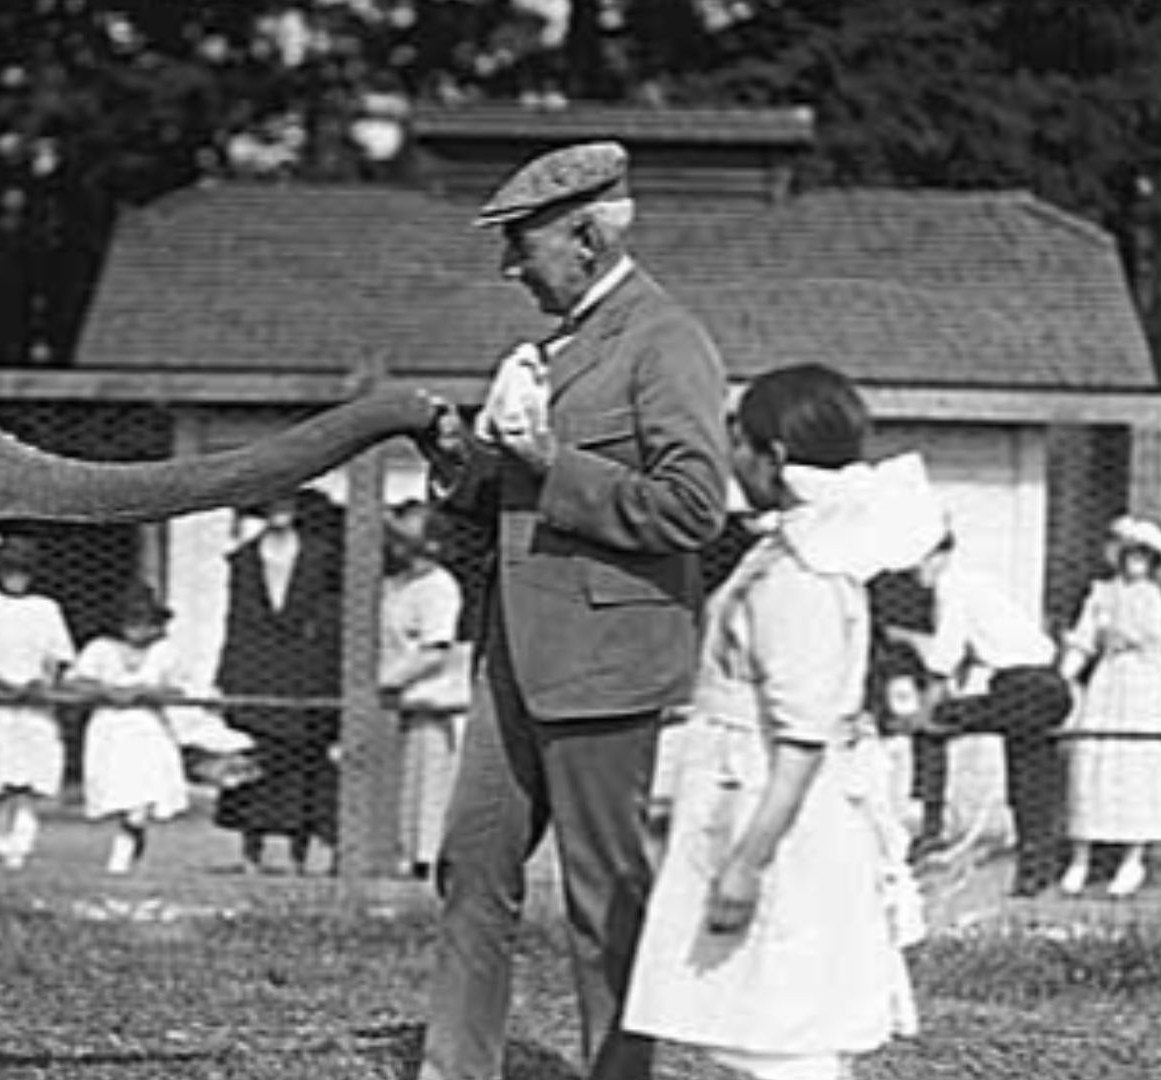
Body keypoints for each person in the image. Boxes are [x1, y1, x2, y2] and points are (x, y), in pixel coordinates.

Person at [414, 141, 731, 1080]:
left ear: (587, 237)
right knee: (471, 869)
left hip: (607, 661)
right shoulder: (549, 351)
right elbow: (507, 499)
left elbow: (693, 507)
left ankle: (621, 1073)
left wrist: (552, 461)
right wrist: (459, 459)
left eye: (524, 246)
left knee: (606, 894)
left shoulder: (667, 340)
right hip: (511, 653)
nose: (510, 268)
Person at [624, 363, 932, 1080]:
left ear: (778, 458)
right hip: (747, 791)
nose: (731, 458)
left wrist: (747, 861)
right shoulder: (788, 548)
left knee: (783, 1029)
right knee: (750, 1021)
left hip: (782, 817)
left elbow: (802, 736)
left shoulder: (803, 575)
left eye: (741, 443)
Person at [887, 530, 1073, 897]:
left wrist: (927, 710)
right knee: (1030, 778)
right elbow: (973, 652)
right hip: (1040, 685)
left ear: (940, 555)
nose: (915, 572)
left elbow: (945, 657)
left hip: (1027, 687)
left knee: (936, 725)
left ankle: (930, 825)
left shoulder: (953, 587)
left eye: (920, 560)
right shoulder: (978, 585)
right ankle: (1036, 873)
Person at [1056, 515, 1161, 898]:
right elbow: (1083, 641)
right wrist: (1064, 679)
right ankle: (1081, 859)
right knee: (1097, 762)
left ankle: (1132, 859)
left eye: (1143, 554)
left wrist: (1141, 531)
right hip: (1110, 681)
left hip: (1149, 686)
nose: (1135, 561)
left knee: (1140, 765)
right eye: (1129, 553)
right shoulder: (1102, 592)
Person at [213, 492, 344, 876]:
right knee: (254, 762)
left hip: (306, 672)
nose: (280, 512)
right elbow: (235, 620)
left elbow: (332, 616)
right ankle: (251, 851)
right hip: (255, 668)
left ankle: (297, 853)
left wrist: (329, 673)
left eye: (287, 504)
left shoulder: (321, 555)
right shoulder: (243, 559)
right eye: (273, 504)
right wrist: (228, 676)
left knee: (303, 763)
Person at [0, 537, 75, 870]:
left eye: (22, 571)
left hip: (33, 700)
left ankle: (22, 845)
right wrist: (5, 685)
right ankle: (1, 843)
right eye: (9, 571)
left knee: (29, 778)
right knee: (0, 777)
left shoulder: (46, 608)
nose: (15, 578)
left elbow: (60, 655)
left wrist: (43, 683)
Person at [68, 582, 194, 875]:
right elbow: (75, 681)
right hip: (110, 728)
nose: (138, 629)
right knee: (120, 793)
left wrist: (147, 692)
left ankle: (121, 854)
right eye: (132, 621)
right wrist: (105, 690)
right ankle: (129, 851)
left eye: (145, 623)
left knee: (143, 797)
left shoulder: (165, 651)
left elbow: (182, 689)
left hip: (147, 728)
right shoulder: (100, 649)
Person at [378, 499, 467, 880]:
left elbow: (434, 650)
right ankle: (399, 854)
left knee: (428, 785)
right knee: (397, 788)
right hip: (394, 702)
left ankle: (426, 859)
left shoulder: (438, 587)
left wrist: (385, 679)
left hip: (429, 699)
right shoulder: (394, 585)